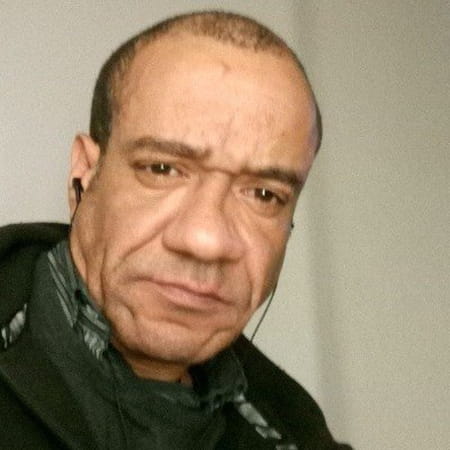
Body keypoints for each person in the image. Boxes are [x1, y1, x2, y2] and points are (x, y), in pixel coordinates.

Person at [0, 11, 352, 450]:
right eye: (162, 169)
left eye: (263, 194)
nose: (206, 240)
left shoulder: (298, 434)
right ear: (84, 174)